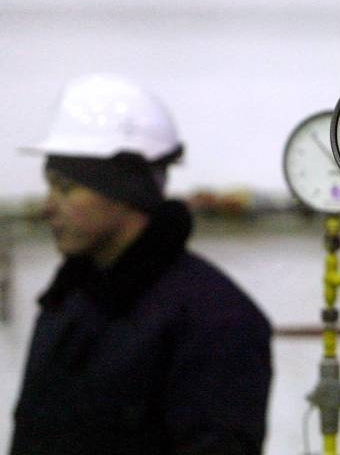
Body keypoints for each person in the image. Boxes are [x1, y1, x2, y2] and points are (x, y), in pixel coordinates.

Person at [9, 73, 273, 455]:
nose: (48, 207)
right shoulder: (69, 300)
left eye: (66, 188)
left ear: (122, 191)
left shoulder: (214, 319)